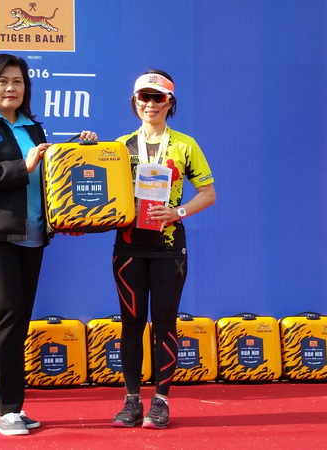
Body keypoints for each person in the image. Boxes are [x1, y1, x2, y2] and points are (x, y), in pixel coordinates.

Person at [0, 53, 96, 436]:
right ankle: (8, 411)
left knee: (17, 321)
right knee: (8, 315)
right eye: (2, 81)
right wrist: (24, 166)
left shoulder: (33, 127)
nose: (11, 88)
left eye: (18, 81)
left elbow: (48, 178)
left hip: (32, 236)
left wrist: (66, 211)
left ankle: (0, 407)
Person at [110, 70, 215, 429]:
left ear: (170, 103)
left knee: (165, 324)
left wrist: (177, 212)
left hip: (169, 248)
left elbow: (208, 193)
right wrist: (89, 145)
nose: (151, 104)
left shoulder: (185, 145)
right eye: (144, 97)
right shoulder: (120, 146)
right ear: (134, 101)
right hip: (128, 246)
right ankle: (131, 401)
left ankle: (161, 401)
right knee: (131, 324)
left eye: (158, 98)